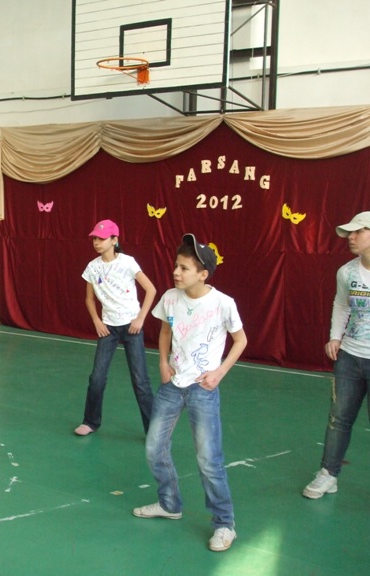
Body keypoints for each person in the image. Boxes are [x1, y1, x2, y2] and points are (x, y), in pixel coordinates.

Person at [132, 234, 247, 553]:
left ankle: (224, 523)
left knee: (209, 459)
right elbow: (165, 330)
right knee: (154, 448)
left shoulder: (223, 303)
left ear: (203, 274)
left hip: (203, 389)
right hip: (172, 385)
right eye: (176, 266)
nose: (176, 272)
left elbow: (240, 340)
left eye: (184, 268)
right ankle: (169, 503)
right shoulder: (170, 297)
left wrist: (219, 372)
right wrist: (163, 362)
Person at [302, 211, 370, 499]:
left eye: (358, 232)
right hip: (350, 358)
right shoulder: (346, 272)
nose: (350, 237)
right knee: (339, 418)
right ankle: (328, 474)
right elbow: (341, 304)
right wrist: (334, 336)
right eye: (349, 233)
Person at [74, 219, 156, 436]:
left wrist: (140, 319)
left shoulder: (128, 263)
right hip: (108, 328)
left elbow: (151, 290)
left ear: (114, 240)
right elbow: (89, 299)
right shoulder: (92, 267)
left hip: (131, 327)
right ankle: (90, 422)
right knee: (97, 377)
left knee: (140, 380)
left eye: (101, 238)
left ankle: (154, 429)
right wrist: (97, 321)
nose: (96, 242)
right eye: (95, 238)